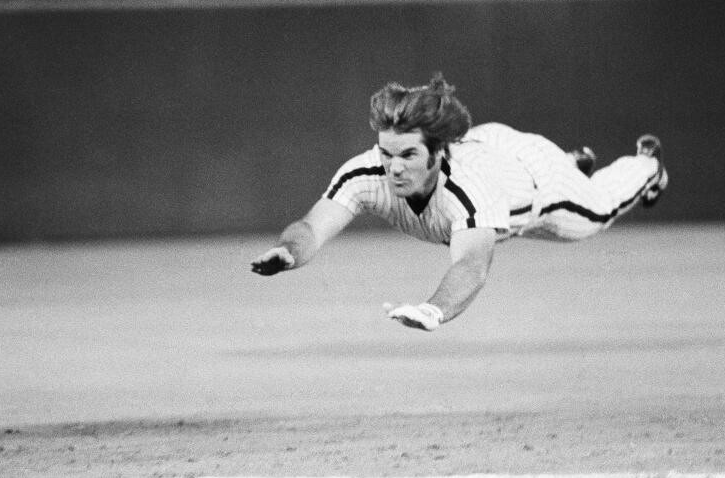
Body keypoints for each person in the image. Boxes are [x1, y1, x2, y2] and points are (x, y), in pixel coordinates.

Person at [251, 74, 668, 331]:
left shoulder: (467, 191)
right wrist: (288, 251)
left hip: (536, 179)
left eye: (408, 155)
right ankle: (574, 162)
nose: (393, 167)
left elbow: (471, 265)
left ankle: (645, 167)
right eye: (386, 153)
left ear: (438, 153)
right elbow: (312, 226)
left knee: (598, 212)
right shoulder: (366, 173)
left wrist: (434, 310)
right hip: (491, 148)